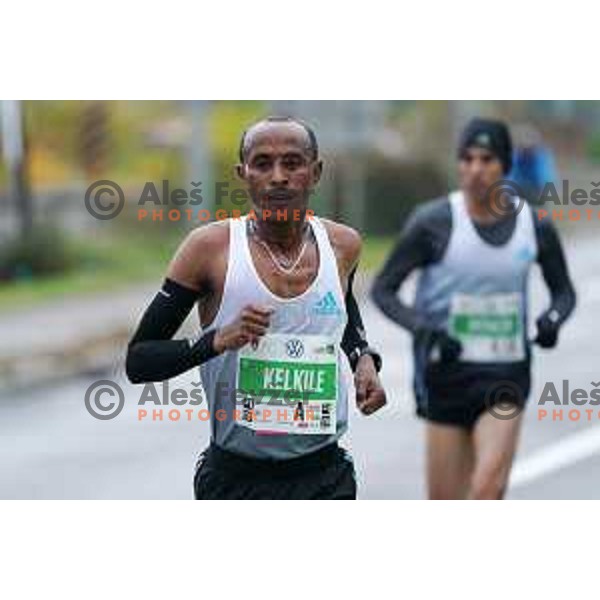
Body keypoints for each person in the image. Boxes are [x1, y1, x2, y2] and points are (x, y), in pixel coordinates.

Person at [126, 115, 386, 500]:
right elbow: (139, 361)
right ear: (243, 173)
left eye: (292, 163)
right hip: (236, 480)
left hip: (325, 477)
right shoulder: (209, 249)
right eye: (262, 163)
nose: (278, 176)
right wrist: (215, 340)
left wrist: (362, 357)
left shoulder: (342, 245)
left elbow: (339, 307)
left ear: (315, 173)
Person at [371, 118, 576, 500]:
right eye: (466, 159)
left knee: (486, 492)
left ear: (506, 165)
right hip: (445, 375)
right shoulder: (433, 222)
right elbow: (384, 291)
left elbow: (564, 294)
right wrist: (424, 328)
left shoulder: (534, 225)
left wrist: (551, 321)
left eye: (487, 159)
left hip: (505, 375)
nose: (475, 169)